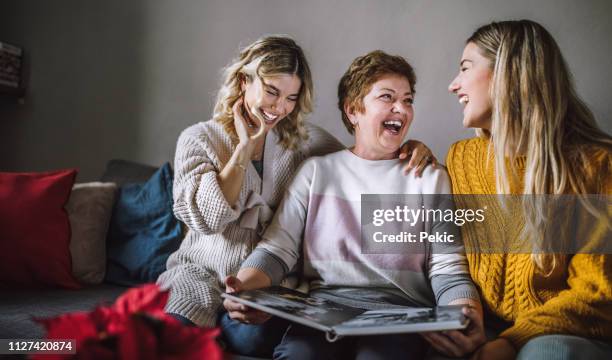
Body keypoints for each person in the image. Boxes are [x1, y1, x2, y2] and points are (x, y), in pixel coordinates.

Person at [156, 36, 435, 357]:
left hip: (266, 286)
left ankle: (226, 336)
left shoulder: (305, 142)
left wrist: (409, 149)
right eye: (272, 92)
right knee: (171, 337)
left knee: (254, 340)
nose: (280, 108)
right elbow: (206, 219)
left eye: (291, 97)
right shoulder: (198, 139)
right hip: (200, 278)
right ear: (244, 81)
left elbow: (361, 162)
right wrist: (244, 149)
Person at [224, 50, 482, 360]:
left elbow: (448, 269)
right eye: (387, 97)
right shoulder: (316, 172)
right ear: (353, 111)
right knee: (300, 355)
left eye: (408, 100)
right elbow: (277, 250)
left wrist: (465, 313)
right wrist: (243, 290)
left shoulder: (430, 178)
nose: (401, 108)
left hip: (399, 319)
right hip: (322, 314)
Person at [426, 19, 612, 360]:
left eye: (465, 68)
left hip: (565, 331)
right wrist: (466, 321)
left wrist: (511, 342)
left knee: (549, 353)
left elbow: (598, 292)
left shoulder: (597, 166)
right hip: (489, 328)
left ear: (508, 74)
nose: (454, 85)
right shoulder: (461, 159)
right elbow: (447, 257)